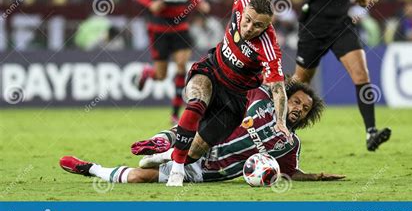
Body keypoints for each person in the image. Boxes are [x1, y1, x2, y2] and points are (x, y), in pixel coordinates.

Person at [163, 0, 290, 187]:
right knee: (196, 101)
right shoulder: (242, 0)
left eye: (258, 26)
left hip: (234, 99)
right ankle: (174, 168)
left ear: (267, 26)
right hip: (211, 70)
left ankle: (167, 156)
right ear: (243, 12)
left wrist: (280, 122)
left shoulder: (268, 46)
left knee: (195, 151)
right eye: (248, 21)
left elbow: (277, 87)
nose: (250, 28)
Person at [59, 82, 345, 184]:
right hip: (207, 142)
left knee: (138, 177)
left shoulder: (289, 145)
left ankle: (90, 169)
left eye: (305, 109)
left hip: (208, 173)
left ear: (306, 118)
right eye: (296, 101)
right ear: (286, 98)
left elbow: (289, 173)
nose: (298, 108)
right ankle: (163, 144)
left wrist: (317, 176)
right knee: (197, 123)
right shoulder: (261, 100)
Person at [290, 0, 391, 151]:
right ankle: (279, 130)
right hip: (313, 26)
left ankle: (370, 132)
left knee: (362, 75)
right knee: (299, 84)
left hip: (341, 26)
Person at [133, 0, 209, 124]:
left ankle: (175, 113)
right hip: (159, 27)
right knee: (161, 75)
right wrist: (151, 4)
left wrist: (201, 4)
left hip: (181, 27)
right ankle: (147, 73)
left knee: (182, 66)